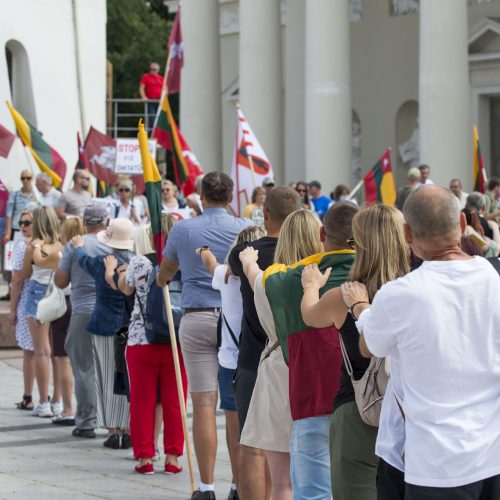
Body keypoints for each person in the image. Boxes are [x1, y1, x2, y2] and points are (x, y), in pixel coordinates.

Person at [344, 185, 500, 499]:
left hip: (432, 461)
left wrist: (361, 309)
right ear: (460, 223)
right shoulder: (491, 277)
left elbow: (368, 346)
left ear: (407, 234)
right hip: (490, 452)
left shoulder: (401, 293)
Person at [300, 205, 410, 500]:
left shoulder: (344, 295)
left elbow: (310, 315)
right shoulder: (415, 291)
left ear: (359, 245)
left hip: (358, 411)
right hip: (409, 413)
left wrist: (311, 286)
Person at [157, 172, 250, 500]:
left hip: (197, 315)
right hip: (233, 318)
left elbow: (166, 272)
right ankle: (239, 484)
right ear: (229, 196)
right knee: (236, 406)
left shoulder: (183, 228)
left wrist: (161, 278)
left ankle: (207, 486)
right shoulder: (243, 227)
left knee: (204, 402)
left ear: (201, 194)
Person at [260, 201, 358, 499]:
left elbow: (271, 273)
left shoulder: (288, 279)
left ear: (322, 232)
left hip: (313, 399)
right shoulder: (379, 272)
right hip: (368, 405)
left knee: (313, 494)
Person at [238, 210, 324, 500]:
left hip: (277, 368)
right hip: (317, 370)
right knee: (323, 475)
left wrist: (247, 258)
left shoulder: (268, 281)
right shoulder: (326, 278)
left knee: (282, 481)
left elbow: (251, 271)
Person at [227, 186, 301, 500]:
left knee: (254, 446)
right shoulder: (309, 253)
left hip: (256, 356)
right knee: (296, 445)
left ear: (265, 213)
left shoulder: (246, 253)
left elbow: (229, 274)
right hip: (298, 357)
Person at [111, 218, 188, 475]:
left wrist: (120, 273)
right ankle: (173, 458)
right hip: (177, 338)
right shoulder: (184, 261)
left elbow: (125, 289)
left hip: (141, 340)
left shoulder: (139, 262)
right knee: (175, 401)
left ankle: (145, 457)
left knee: (142, 401)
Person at [197, 225, 266, 498]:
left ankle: (238, 484)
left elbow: (210, 263)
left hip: (231, 360)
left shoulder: (225, 277)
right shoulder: (266, 276)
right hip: (260, 360)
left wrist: (203, 251)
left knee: (236, 432)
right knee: (265, 435)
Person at [71, 218, 134, 448]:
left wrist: (77, 246)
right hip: (129, 328)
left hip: (103, 325)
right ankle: (128, 427)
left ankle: (112, 430)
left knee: (106, 379)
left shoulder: (102, 262)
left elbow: (83, 260)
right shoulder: (137, 262)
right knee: (127, 379)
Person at [55, 205, 112, 439]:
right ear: (105, 221)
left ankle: (87, 422)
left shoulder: (74, 245)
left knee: (84, 368)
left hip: (82, 311)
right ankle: (115, 426)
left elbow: (60, 281)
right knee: (111, 368)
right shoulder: (112, 243)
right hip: (111, 310)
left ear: (84, 223)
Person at [23, 206, 63, 418]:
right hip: (58, 293)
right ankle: (57, 400)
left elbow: (24, 273)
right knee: (57, 351)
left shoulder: (33, 246)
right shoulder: (61, 243)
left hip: (38, 292)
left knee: (41, 351)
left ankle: (43, 401)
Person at [50, 219, 84, 426]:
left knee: (63, 358)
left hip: (64, 303)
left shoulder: (64, 251)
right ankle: (86, 410)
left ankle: (68, 408)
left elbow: (59, 281)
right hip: (82, 305)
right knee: (84, 362)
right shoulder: (89, 249)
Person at [10, 209, 35, 411]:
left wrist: (12, 309)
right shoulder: (49, 244)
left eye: (27, 222)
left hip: (28, 300)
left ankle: (28, 395)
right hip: (48, 302)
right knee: (49, 353)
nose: (23, 226)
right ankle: (50, 397)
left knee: (30, 352)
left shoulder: (23, 246)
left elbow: (17, 280)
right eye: (21, 222)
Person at [4, 169, 38, 245]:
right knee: (14, 253)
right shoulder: (14, 194)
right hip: (16, 228)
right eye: (23, 178)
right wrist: (8, 232)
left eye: (28, 178)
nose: (25, 180)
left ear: (32, 179)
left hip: (31, 230)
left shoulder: (37, 195)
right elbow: (9, 214)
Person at [139, 62, 163, 130]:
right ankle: (153, 132)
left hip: (159, 101)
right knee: (152, 116)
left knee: (159, 117)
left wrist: (163, 98)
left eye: (155, 69)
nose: (153, 70)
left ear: (158, 70)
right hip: (150, 100)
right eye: (151, 69)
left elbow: (165, 89)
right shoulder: (145, 77)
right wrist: (143, 96)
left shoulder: (161, 78)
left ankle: (158, 132)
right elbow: (141, 87)